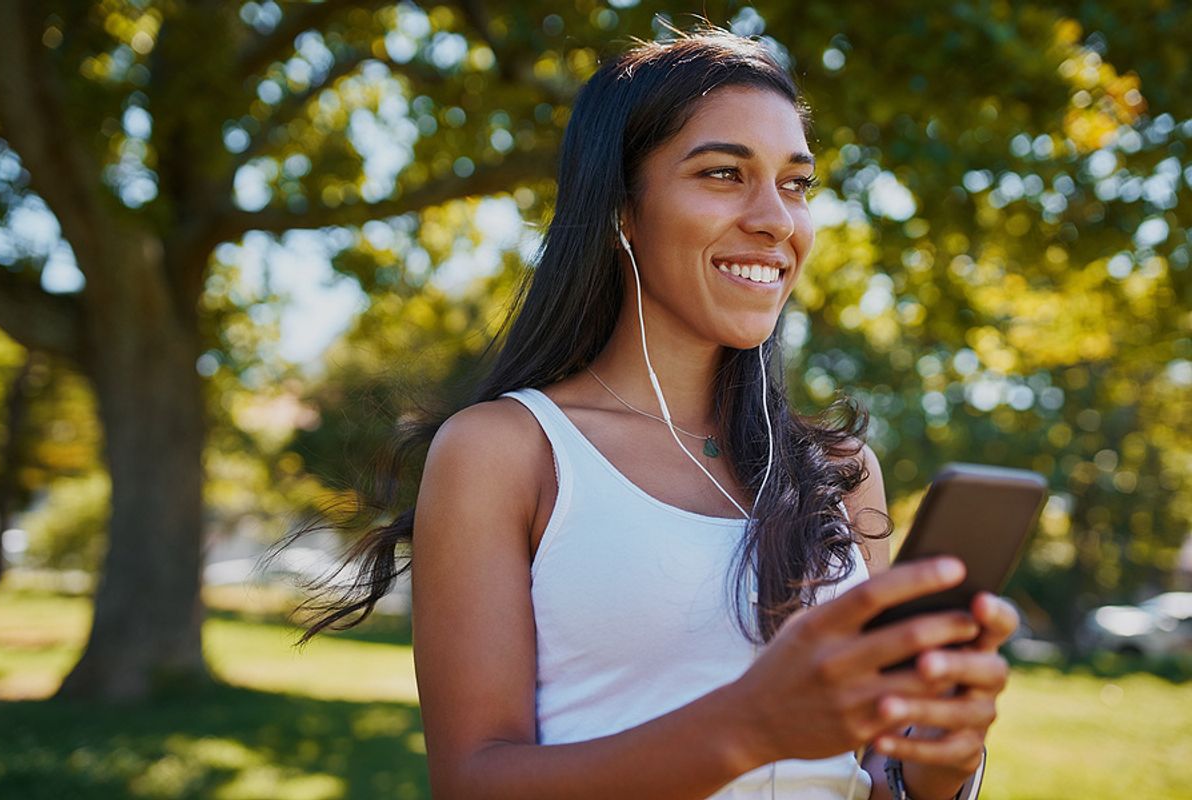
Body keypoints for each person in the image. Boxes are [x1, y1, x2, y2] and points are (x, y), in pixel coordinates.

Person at [301, 24, 1018, 800]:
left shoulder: (839, 473)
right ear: (621, 210)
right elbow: (474, 781)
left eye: (797, 183)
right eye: (722, 174)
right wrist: (750, 727)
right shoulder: (509, 452)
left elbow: (874, 775)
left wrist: (939, 768)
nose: (777, 219)